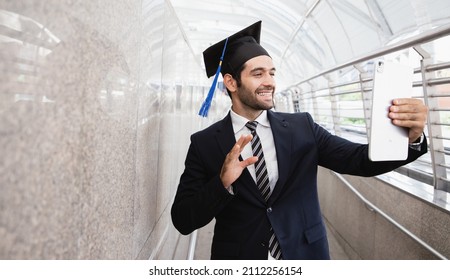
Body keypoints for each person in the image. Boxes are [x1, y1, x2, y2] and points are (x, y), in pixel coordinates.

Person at [171, 21, 428, 260]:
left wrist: (411, 138)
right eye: (258, 74)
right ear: (231, 82)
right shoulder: (204, 143)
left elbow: (359, 161)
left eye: (272, 73)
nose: (270, 82)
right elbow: (183, 219)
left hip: (305, 255)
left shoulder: (301, 127)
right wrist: (221, 183)